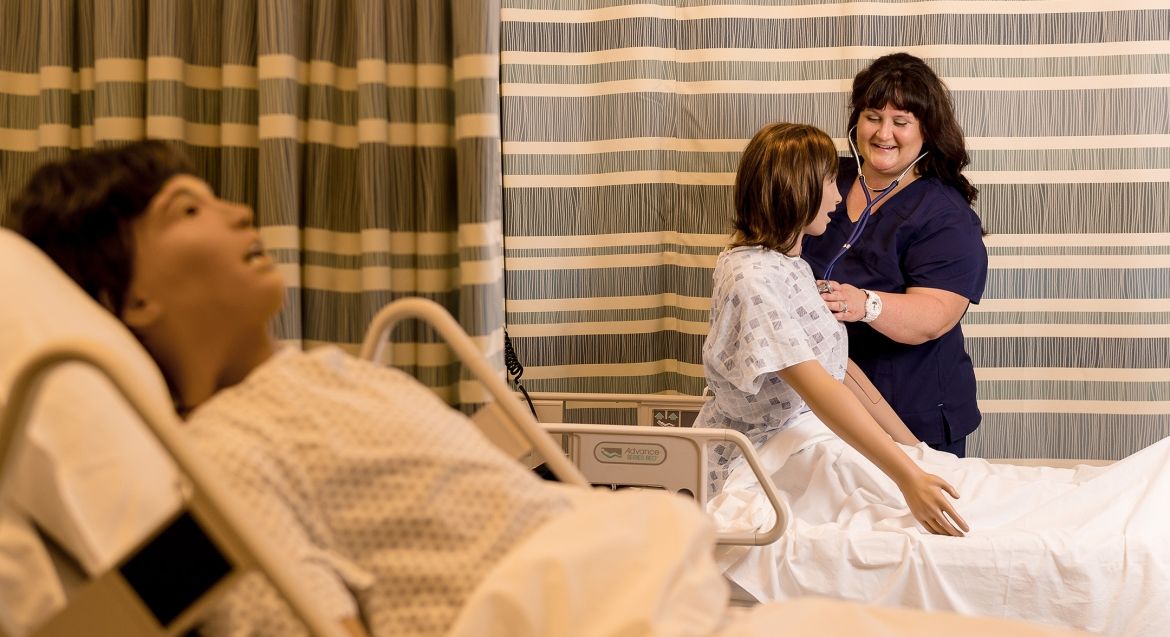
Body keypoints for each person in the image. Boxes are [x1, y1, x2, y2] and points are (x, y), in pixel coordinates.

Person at [11, 141, 1088, 637]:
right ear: (130, 301)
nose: (242, 214)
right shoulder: (225, 461)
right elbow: (209, 604)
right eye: (193, 208)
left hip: (669, 591)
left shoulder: (332, 371)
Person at [694, 122, 967, 538]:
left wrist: (916, 455)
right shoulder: (752, 279)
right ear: (796, 190)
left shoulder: (792, 266)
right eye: (828, 182)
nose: (839, 195)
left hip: (805, 442)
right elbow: (822, 391)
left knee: (932, 490)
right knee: (890, 518)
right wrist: (907, 477)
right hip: (764, 460)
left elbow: (841, 373)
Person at [801, 53, 988, 457]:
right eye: (873, 116)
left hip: (910, 413)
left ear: (926, 131)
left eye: (901, 122)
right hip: (816, 409)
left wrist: (863, 304)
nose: (884, 133)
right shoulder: (824, 178)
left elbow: (934, 316)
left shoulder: (945, 214)